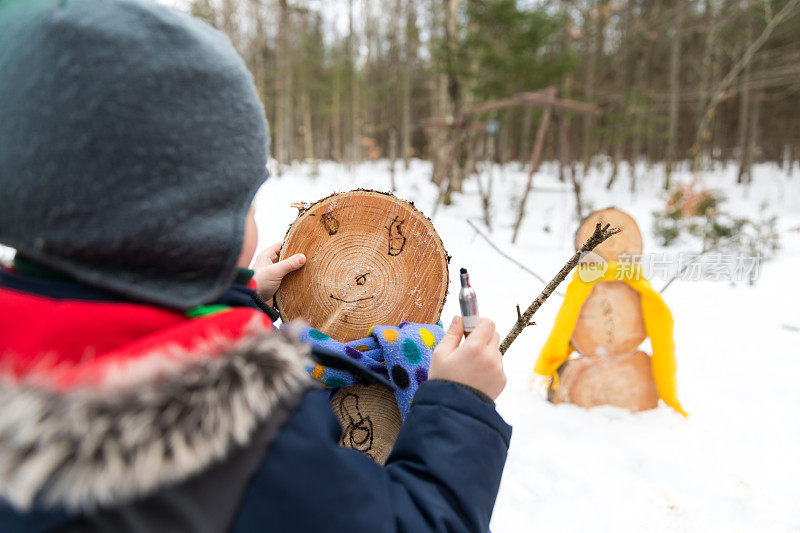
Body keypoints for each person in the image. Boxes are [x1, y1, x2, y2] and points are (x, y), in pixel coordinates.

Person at [0, 1, 511, 531]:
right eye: (242, 202)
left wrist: (236, 295)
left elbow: (120, 319)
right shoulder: (240, 434)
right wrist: (461, 404)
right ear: (189, 224)